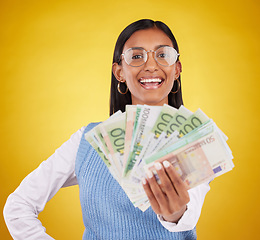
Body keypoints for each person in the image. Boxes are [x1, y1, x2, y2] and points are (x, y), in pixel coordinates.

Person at [3, 19, 210, 240]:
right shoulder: (87, 141)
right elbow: (18, 206)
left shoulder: (193, 138)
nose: (151, 66)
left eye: (163, 54)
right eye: (137, 56)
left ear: (177, 69)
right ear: (119, 72)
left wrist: (175, 213)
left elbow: (187, 219)